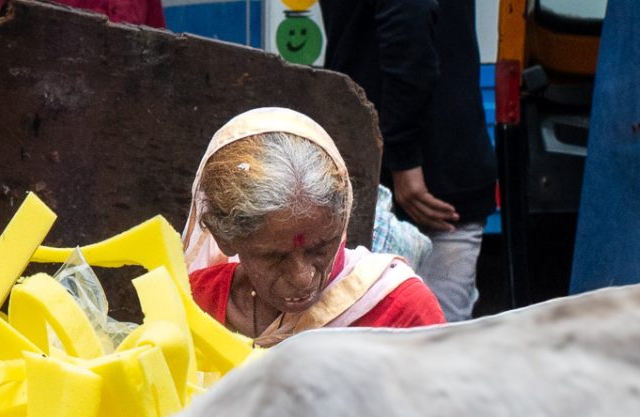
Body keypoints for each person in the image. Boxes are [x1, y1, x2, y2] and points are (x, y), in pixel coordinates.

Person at [182, 107, 445, 348]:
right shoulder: (194, 303)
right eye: (274, 257)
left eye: (321, 248)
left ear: (341, 222)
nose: (302, 277)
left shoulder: (401, 310)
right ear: (223, 238)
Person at [318, 0, 498, 323]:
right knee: (438, 343)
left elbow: (409, 19)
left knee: (414, 346)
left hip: (407, 179)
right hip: (435, 167)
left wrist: (404, 160)